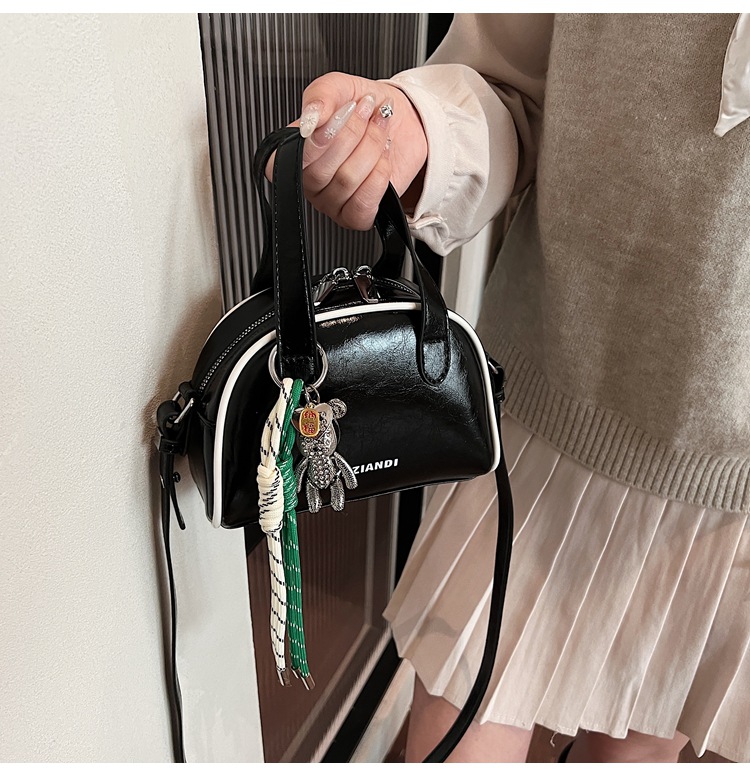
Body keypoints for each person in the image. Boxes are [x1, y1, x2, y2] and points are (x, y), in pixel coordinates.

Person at [283, 14, 750, 763]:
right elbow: (510, 83)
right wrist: (417, 130)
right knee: (458, 722)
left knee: (636, 742)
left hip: (732, 479)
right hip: (541, 395)